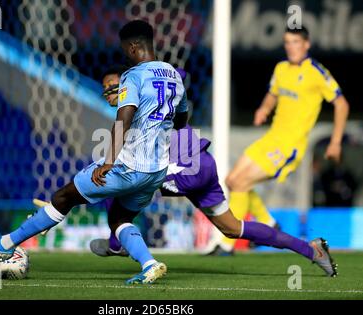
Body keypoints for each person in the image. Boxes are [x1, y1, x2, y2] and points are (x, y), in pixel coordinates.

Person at [0, 20, 189, 284]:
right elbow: (182, 121)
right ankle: (149, 264)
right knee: (120, 217)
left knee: (63, 197)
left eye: (124, 49)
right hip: (156, 171)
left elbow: (123, 119)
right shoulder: (173, 75)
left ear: (132, 47)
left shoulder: (133, 75)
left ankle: (6, 242)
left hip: (129, 166)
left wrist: (108, 161)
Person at [87, 65, 339, 278]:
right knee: (232, 228)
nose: (109, 91)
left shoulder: (139, 104)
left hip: (186, 169)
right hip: (203, 165)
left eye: (113, 84)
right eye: (105, 87)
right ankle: (312, 250)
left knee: (113, 181)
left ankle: (116, 243)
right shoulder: (148, 102)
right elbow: (177, 74)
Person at [214, 26, 350, 255]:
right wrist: (263, 109)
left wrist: (335, 142)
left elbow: (341, 104)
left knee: (239, 183)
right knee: (231, 180)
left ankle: (226, 245)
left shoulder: (316, 72)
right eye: (287, 42)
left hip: (289, 146)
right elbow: (272, 94)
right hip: (271, 138)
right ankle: (267, 222)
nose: (291, 47)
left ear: (306, 44)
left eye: (296, 42)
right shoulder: (281, 68)